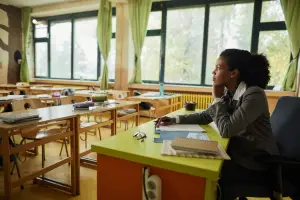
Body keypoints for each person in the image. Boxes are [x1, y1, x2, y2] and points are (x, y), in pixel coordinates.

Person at [156, 49, 279, 199]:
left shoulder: (254, 94)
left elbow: (226, 130)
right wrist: (175, 119)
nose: (213, 72)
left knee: (205, 175)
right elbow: (206, 116)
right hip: (239, 152)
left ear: (233, 73)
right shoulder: (231, 93)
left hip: (255, 162)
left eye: (219, 67)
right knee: (194, 161)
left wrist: (217, 98)